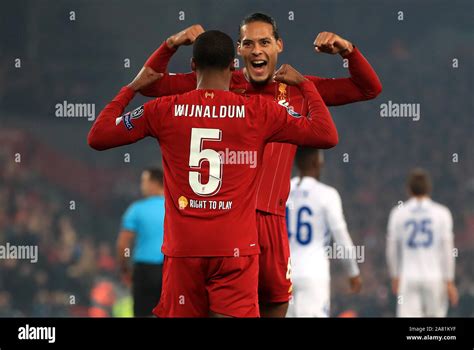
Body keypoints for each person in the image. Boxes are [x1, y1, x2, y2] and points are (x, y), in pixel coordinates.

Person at [138, 13, 382, 317]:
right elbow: (151, 85)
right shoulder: (223, 81)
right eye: (248, 43)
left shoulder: (296, 88)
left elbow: (369, 89)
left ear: (278, 46)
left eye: (264, 42)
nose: (256, 50)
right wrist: (171, 44)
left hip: (271, 221)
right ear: (238, 51)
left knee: (275, 304)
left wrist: (349, 51)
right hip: (224, 221)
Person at [88, 30, 338, 317]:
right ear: (234, 67)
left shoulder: (164, 109)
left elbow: (98, 136)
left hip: (184, 251)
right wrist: (305, 85)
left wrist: (132, 86)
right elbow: (326, 134)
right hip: (235, 249)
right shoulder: (259, 111)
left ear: (193, 67)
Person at [286, 148, 361, 317]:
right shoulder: (327, 194)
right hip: (313, 273)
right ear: (317, 162)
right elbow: (341, 236)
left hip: (284, 274)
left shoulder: (282, 189)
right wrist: (353, 272)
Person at [386, 168, 458, 317]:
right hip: (435, 277)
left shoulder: (398, 213)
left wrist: (395, 275)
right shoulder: (442, 213)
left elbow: (392, 249)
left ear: (408, 189)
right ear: (429, 189)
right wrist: (449, 280)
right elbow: (448, 249)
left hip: (408, 276)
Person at [117, 167, 165, 317]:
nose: (141, 186)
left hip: (144, 270)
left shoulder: (136, 209)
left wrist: (124, 268)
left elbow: (123, 244)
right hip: (170, 269)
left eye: (144, 181)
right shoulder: (176, 207)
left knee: (142, 313)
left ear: (154, 183)